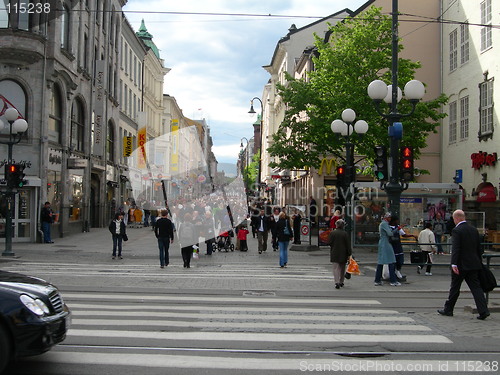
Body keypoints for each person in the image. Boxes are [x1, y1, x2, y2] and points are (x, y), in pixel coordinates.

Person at [438, 210, 490, 320]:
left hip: (461, 265)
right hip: (474, 264)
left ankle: (448, 309)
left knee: (455, 287)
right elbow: (479, 248)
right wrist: (478, 261)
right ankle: (483, 310)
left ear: (456, 218)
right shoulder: (473, 230)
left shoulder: (457, 230)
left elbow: (456, 248)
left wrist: (454, 264)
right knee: (476, 288)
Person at [374, 212, 400, 286]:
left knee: (381, 262)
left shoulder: (383, 224)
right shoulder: (384, 224)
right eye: (389, 217)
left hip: (383, 243)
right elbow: (390, 233)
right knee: (391, 261)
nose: (390, 219)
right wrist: (397, 229)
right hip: (386, 243)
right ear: (386, 218)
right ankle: (393, 280)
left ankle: (377, 280)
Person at [389, 216, 417, 281]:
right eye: (397, 220)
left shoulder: (398, 227)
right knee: (393, 262)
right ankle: (394, 274)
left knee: (400, 260)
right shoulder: (389, 228)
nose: (398, 222)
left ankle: (398, 270)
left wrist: (412, 235)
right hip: (392, 246)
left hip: (398, 246)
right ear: (394, 221)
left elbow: (403, 234)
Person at [326, 219, 352, 289]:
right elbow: (348, 245)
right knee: (342, 268)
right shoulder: (345, 234)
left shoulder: (332, 233)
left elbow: (328, 242)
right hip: (343, 253)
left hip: (334, 252)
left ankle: (336, 282)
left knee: (335, 268)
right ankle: (341, 281)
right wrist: (350, 254)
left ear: (336, 225)